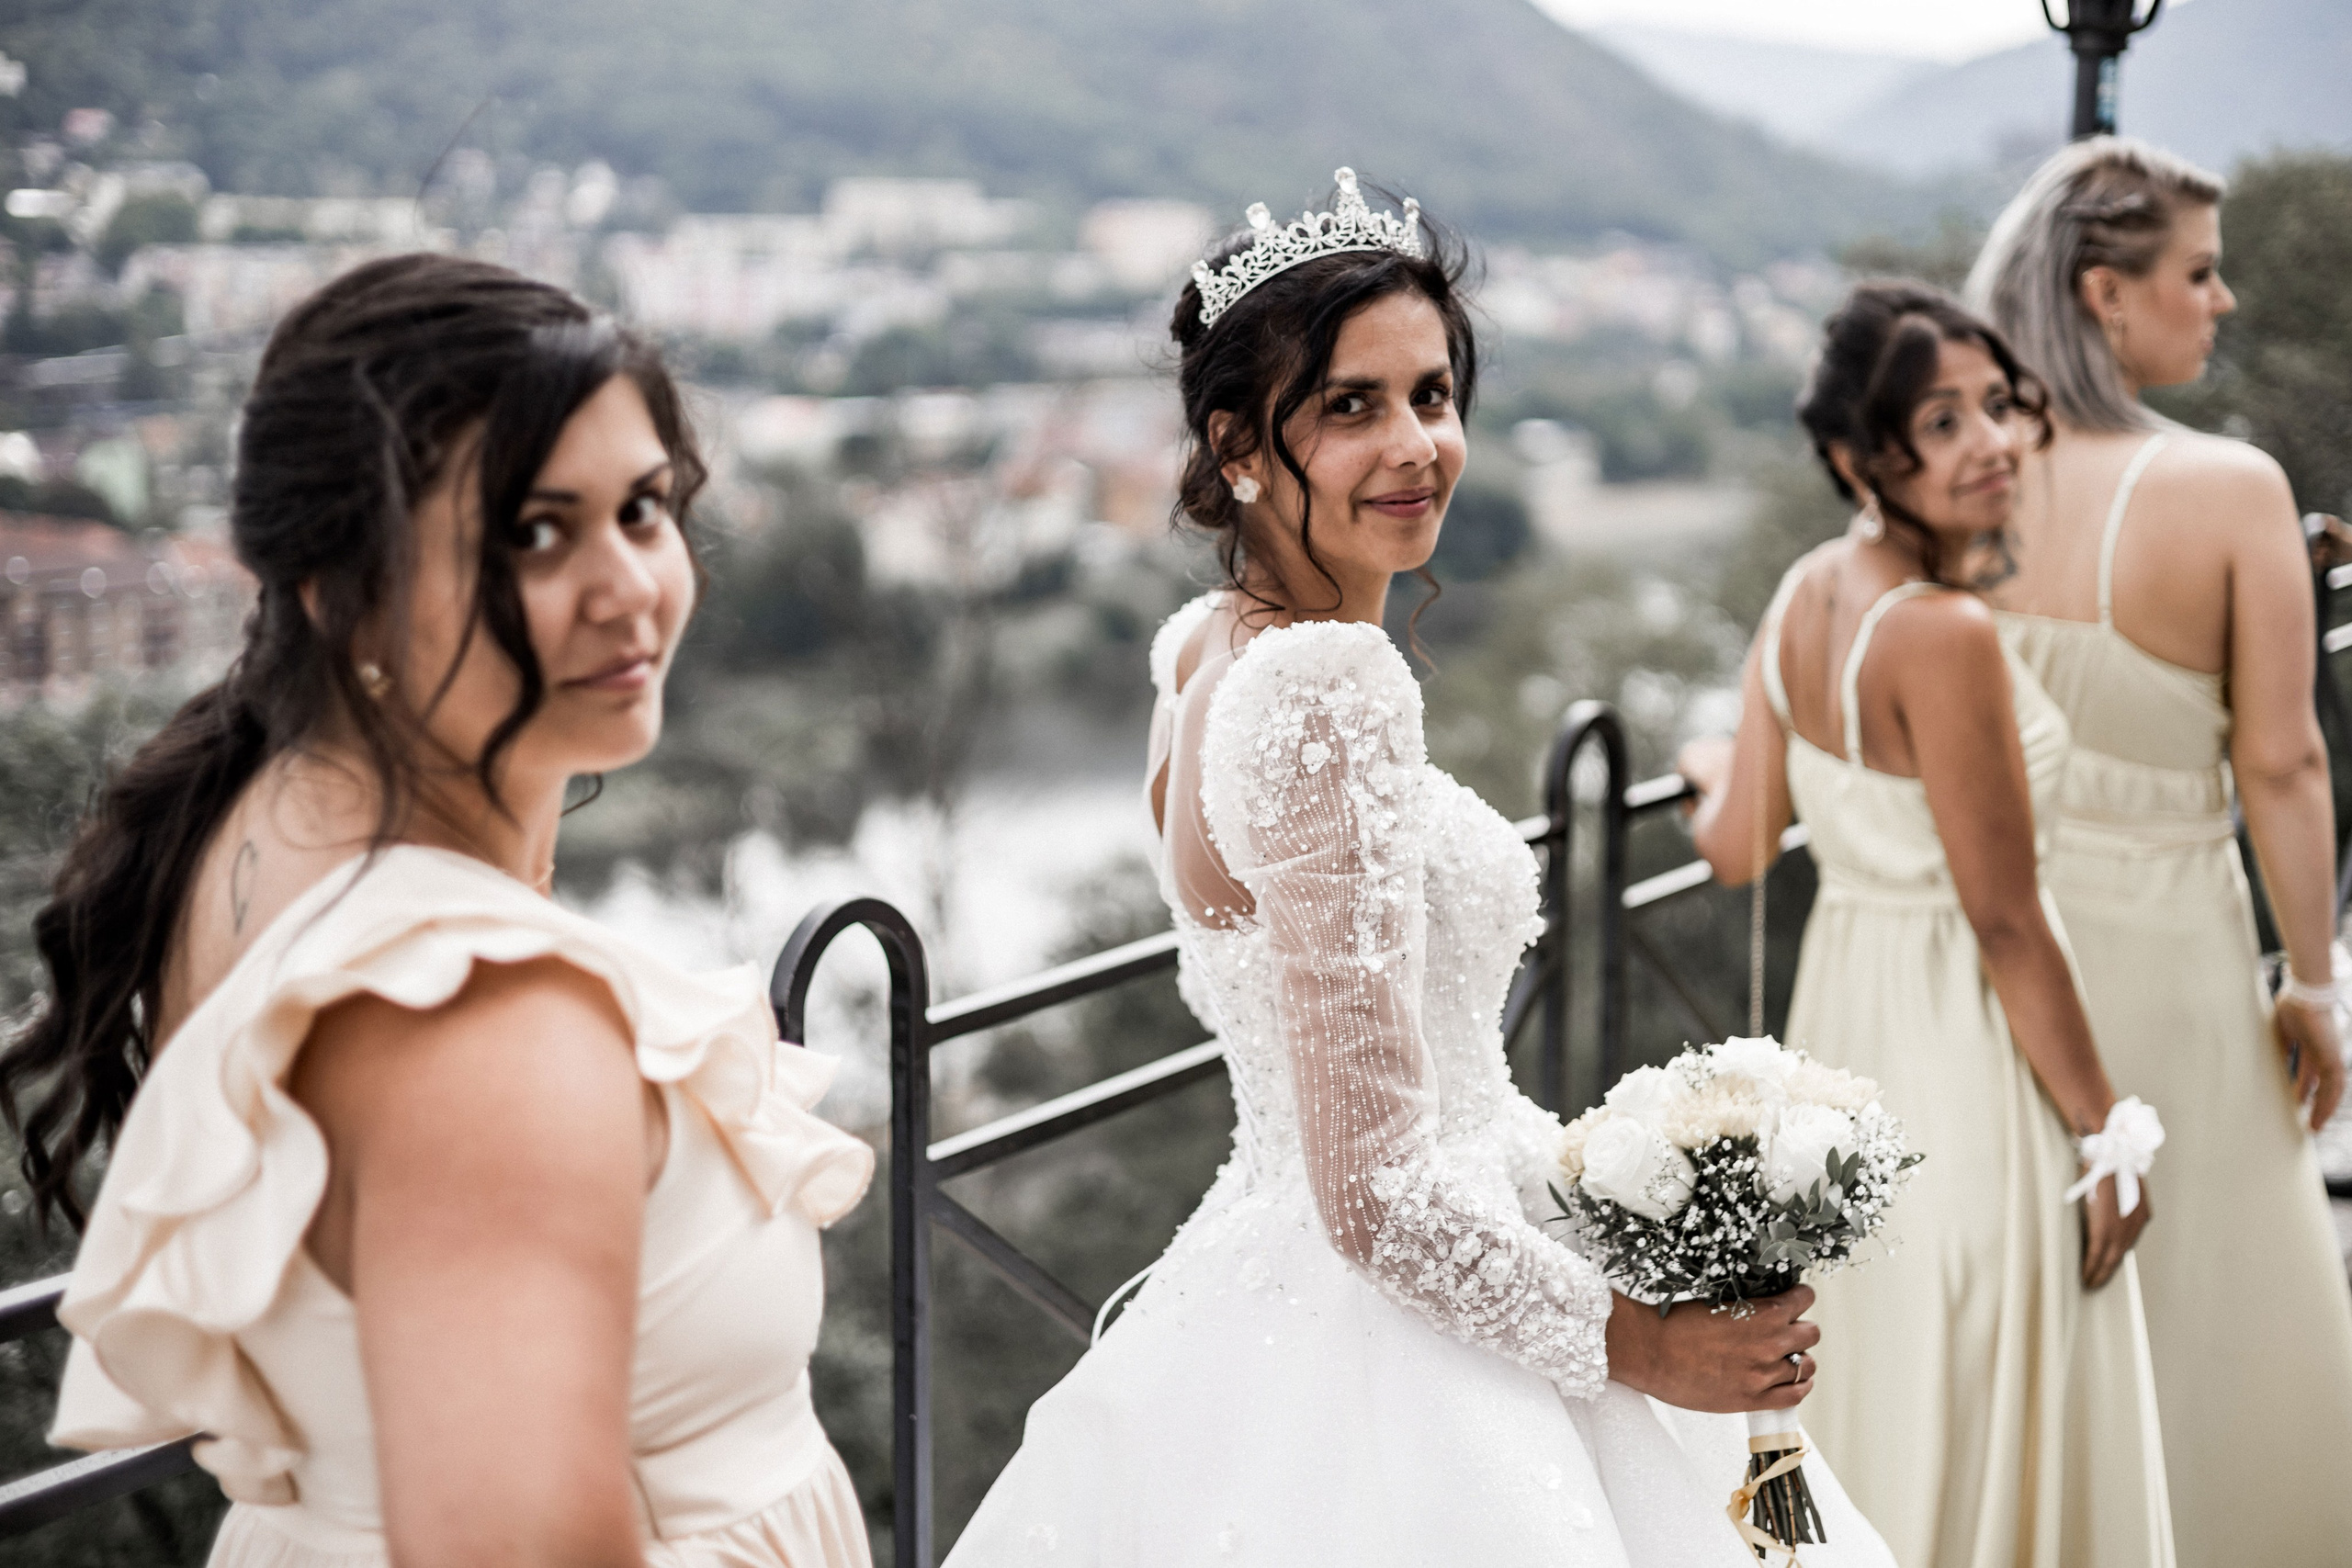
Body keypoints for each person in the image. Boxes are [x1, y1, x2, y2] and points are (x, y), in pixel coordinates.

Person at [942, 171, 1894, 1568]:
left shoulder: (1205, 648)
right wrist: (1639, 1346)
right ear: (1238, 442)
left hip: (1286, 1268)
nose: (1416, 444)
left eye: (1433, 395)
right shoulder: (1327, 686)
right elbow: (1378, 1189)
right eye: (1351, 405)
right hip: (1402, 1332)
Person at [0, 254, 876, 1568]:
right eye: (533, 533)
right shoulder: (482, 1020)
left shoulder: (260, 820)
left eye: (641, 511)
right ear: (338, 585)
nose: (629, 585)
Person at [1679, 281, 2174, 1568]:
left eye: (1999, 408)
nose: (1992, 443)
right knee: (1978, 1372)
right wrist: (2104, 1128)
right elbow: (2006, 919)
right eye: (1941, 423)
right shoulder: (1943, 631)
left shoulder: (1802, 597)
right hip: (1958, 1060)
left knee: (1888, 1387)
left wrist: (1700, 771)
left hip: (1843, 1047)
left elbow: (1736, 846)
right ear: (1859, 457)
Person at [1966, 136, 2352, 1568]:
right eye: (2199, 272)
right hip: (2176, 963)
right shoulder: (2230, 489)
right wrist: (2314, 984)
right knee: (2214, 1301)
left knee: (2025, 1282)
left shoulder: (1954, 481)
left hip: (1991, 963)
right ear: (2103, 296)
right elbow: (2285, 761)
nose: (2227, 302)